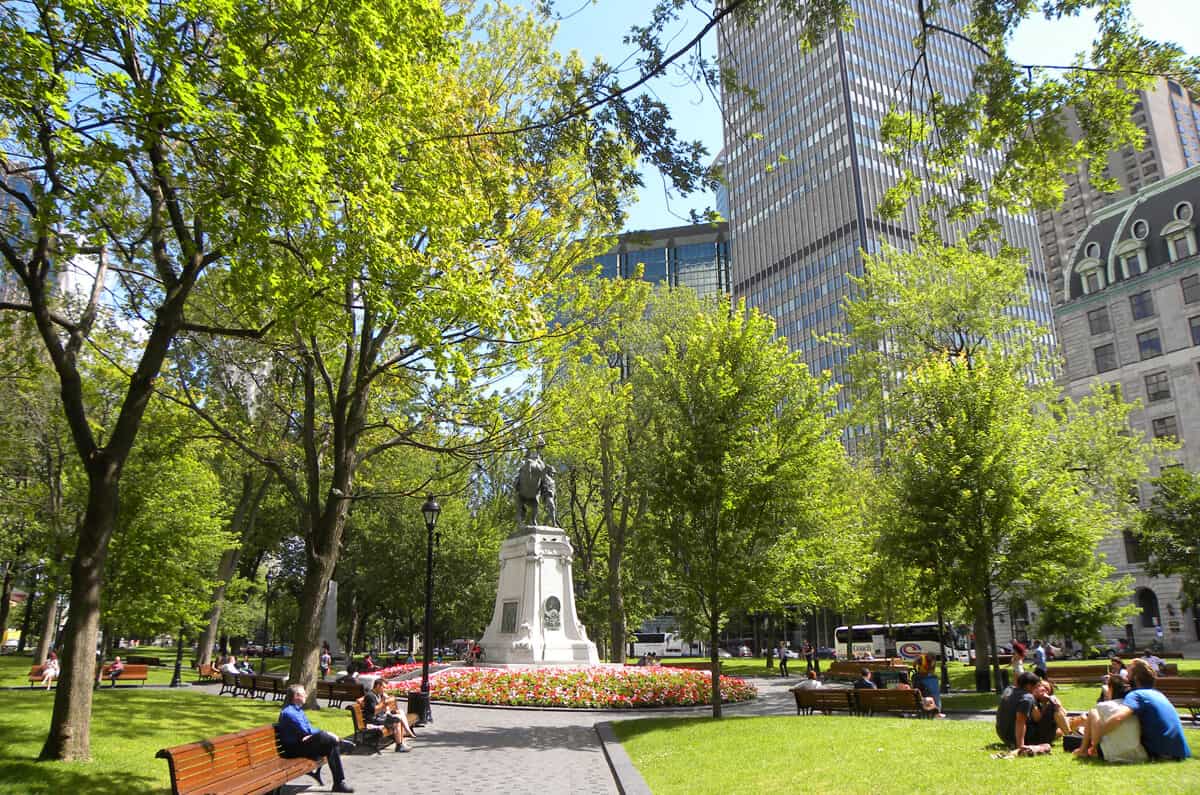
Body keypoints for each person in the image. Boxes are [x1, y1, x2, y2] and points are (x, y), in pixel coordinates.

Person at [1075, 658, 1191, 762]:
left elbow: (1118, 718)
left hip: (1161, 753)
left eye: (1129, 671)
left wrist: (1096, 738)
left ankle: (1083, 750)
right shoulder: (1157, 694)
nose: (1125, 674)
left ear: (1135, 677)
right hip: (1180, 752)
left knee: (1094, 714)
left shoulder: (1136, 695)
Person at [279, 684, 355, 792]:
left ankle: (339, 783)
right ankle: (341, 743)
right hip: (292, 749)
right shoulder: (289, 712)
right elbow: (307, 730)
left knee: (331, 746)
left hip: (302, 744)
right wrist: (325, 733)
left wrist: (311, 735)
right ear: (296, 696)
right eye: (303, 693)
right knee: (323, 736)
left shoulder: (298, 711)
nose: (306, 694)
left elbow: (307, 728)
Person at [363, 678, 414, 752]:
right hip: (373, 720)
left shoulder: (378, 694)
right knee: (397, 721)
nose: (384, 689)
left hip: (380, 717)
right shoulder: (370, 696)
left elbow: (381, 709)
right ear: (377, 686)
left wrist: (387, 706)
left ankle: (401, 744)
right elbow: (374, 711)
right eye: (383, 687)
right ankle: (399, 745)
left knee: (397, 719)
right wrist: (384, 702)